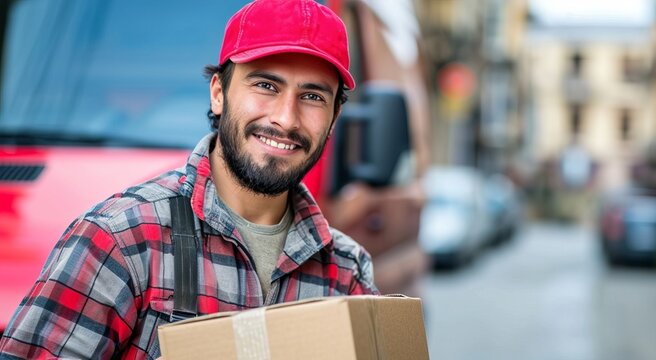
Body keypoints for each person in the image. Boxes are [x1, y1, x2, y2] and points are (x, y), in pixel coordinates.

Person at [0, 0, 378, 358]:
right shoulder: (121, 239)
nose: (286, 118)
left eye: (312, 96)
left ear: (334, 118)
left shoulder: (346, 272)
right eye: (266, 86)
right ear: (218, 93)